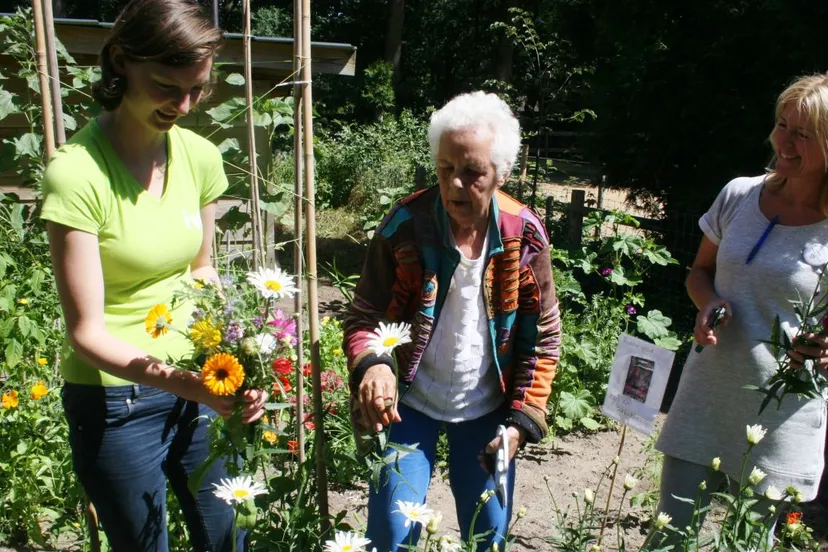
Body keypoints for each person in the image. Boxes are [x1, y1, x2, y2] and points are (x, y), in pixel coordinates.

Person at [41, 1, 267, 550]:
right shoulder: (76, 174)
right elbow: (85, 333)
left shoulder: (200, 157)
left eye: (198, 90)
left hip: (199, 381)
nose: (184, 105)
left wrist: (237, 356)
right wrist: (186, 382)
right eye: (167, 85)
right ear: (120, 62)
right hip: (116, 401)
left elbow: (202, 269)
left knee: (228, 537)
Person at [342, 92, 561, 551]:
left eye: (472, 172)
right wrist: (374, 362)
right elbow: (364, 313)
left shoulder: (525, 235)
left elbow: (541, 338)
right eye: (446, 169)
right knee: (392, 536)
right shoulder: (405, 224)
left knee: (490, 536)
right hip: (409, 403)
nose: (456, 185)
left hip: (487, 410)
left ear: (501, 173)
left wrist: (521, 421)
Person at [654, 73, 828, 545]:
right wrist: (708, 303)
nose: (782, 141)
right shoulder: (739, 195)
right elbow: (698, 273)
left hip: (783, 413)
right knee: (670, 538)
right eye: (780, 125)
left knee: (749, 543)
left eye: (802, 134)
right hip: (706, 395)